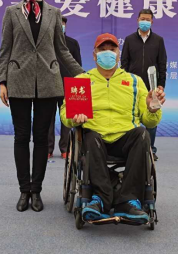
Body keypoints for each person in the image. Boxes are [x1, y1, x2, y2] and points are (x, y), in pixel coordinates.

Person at [0, 0, 84, 213]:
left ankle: (36, 190)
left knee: (41, 139)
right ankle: (23, 190)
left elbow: (62, 50)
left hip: (48, 82)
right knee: (21, 137)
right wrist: (2, 81)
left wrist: (83, 75)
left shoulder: (54, 13)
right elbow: (5, 49)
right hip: (18, 81)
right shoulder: (11, 12)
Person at [61, 33, 164, 223]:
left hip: (125, 140)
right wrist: (74, 118)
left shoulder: (134, 81)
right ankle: (100, 198)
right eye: (102, 50)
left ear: (118, 54)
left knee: (142, 134)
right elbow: (65, 113)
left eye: (112, 49)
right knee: (90, 136)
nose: (107, 53)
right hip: (95, 140)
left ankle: (128, 201)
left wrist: (152, 108)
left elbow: (150, 122)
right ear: (94, 55)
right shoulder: (82, 80)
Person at [120, 8, 167, 161]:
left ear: (152, 21)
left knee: (152, 116)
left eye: (147, 19)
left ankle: (150, 149)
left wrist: (161, 85)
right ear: (137, 20)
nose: (145, 22)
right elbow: (124, 63)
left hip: (151, 86)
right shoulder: (129, 39)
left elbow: (162, 64)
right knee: (131, 116)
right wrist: (124, 82)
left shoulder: (158, 40)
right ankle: (131, 148)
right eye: (142, 19)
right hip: (132, 85)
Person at [48, 16, 82, 159]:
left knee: (68, 119)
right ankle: (48, 149)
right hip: (49, 86)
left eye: (62, 24)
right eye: (58, 23)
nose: (60, 26)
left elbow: (78, 66)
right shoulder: (46, 43)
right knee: (48, 119)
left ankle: (65, 148)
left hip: (69, 86)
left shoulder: (72, 43)